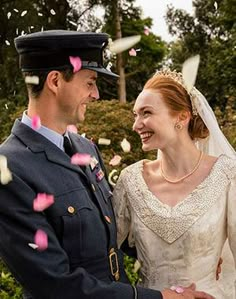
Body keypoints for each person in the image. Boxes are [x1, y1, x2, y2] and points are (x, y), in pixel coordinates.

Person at [0, 30, 215, 299]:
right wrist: (158, 298)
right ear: (55, 81)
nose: (96, 94)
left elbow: (111, 235)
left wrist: (195, 248)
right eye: (90, 82)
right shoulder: (10, 169)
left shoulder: (85, 148)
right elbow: (54, 285)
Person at [113, 69, 236, 299]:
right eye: (135, 115)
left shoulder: (228, 174)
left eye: (146, 113)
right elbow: (104, 256)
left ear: (181, 116)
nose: (136, 125)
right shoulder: (130, 180)